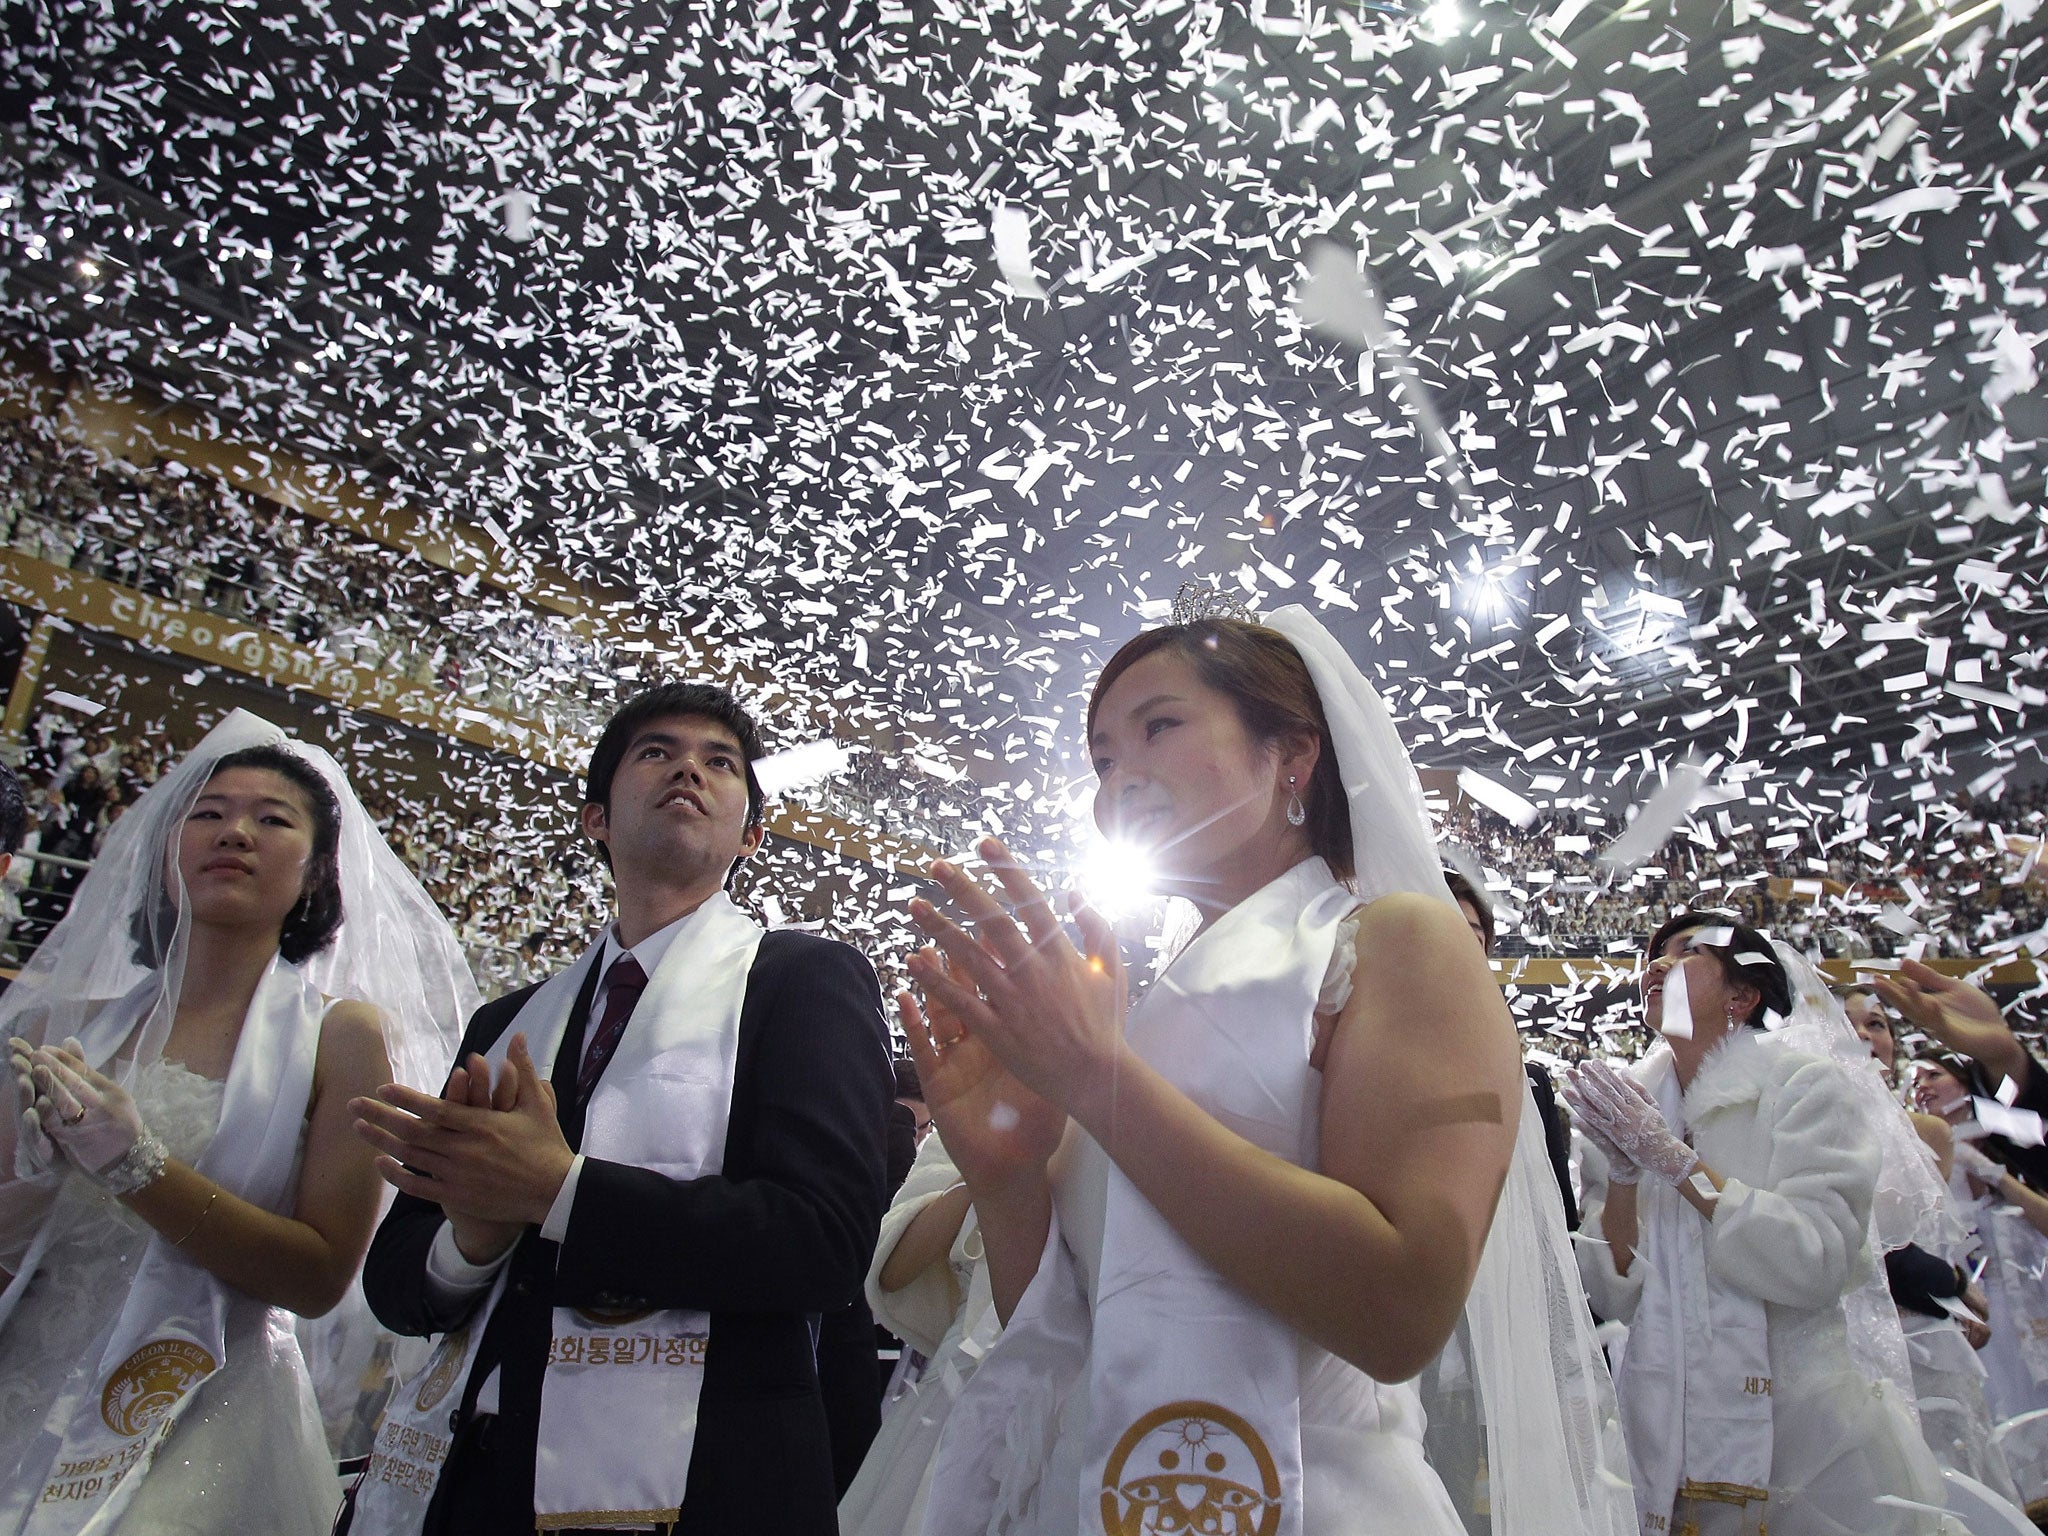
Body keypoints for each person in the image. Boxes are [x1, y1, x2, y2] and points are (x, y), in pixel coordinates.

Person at [903, 599, 1632, 1536]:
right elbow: (1078, 1331)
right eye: (1102, 758)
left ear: (1291, 756)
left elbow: (1400, 1309)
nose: (1119, 777)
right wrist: (1004, 1179)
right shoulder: (1141, 1006)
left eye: (1158, 727)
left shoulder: (1397, 941)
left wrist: (1099, 1084)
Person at [346, 681, 893, 1536]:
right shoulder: (508, 1022)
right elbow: (396, 1281)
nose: (689, 769)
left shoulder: (804, 980)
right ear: (597, 819)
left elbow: (820, 1244)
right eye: (656, 752)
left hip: (704, 1487)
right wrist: (467, 1244)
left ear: (750, 834)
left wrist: (558, 1193)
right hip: (473, 1476)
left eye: (722, 763)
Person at [0, 710, 471, 1535]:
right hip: (28, 1381)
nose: (235, 833)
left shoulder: (342, 1037)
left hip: (209, 1405)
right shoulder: (60, 1029)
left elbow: (320, 1276)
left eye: (272, 818)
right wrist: (36, 1182)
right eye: (208, 813)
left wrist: (138, 1166)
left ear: (318, 869)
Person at [1568, 913, 1947, 1536]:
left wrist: (1675, 1163)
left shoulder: (1803, 1087)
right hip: (1664, 1427)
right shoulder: (1633, 1104)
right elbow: (1617, 1297)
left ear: (1742, 997)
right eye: (1654, 954)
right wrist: (1627, 1178)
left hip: (1800, 1438)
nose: (1656, 964)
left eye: (1687, 953)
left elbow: (1815, 1261)